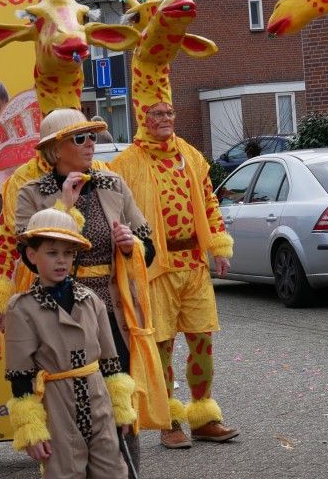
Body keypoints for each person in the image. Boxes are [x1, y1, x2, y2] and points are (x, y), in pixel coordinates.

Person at [12, 108, 167, 474]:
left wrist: (130, 245)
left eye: (92, 137)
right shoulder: (31, 194)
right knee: (67, 405)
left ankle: (126, 470)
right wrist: (63, 206)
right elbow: (29, 256)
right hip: (57, 312)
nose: (90, 144)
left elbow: (148, 246)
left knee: (120, 399)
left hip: (112, 310)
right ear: (55, 150)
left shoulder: (113, 184)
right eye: (79, 138)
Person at [111, 96, 238, 449]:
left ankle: (204, 416)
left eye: (169, 111)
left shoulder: (191, 155)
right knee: (162, 346)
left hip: (194, 264)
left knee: (202, 340)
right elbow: (115, 212)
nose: (166, 117)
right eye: (158, 113)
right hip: (156, 268)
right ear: (143, 118)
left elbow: (209, 202)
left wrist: (218, 246)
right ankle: (169, 422)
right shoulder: (126, 163)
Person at [5, 207, 137, 478]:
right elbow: (19, 375)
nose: (61, 261)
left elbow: (111, 363)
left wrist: (120, 407)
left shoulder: (91, 300)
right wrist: (31, 428)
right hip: (58, 404)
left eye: (68, 253)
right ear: (32, 255)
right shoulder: (22, 308)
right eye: (52, 253)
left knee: (112, 470)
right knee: (64, 471)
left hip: (98, 399)